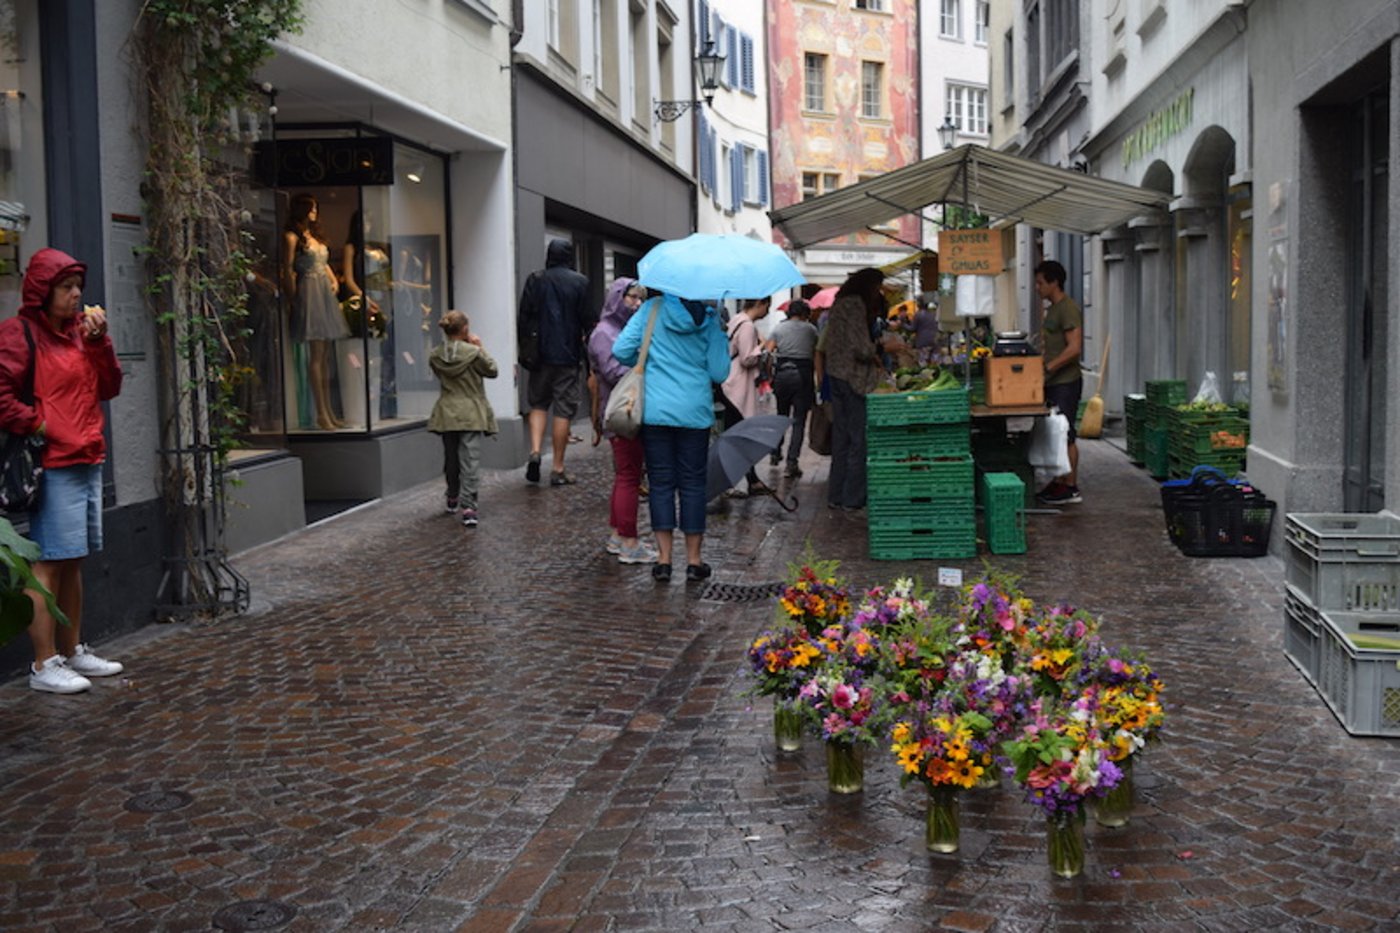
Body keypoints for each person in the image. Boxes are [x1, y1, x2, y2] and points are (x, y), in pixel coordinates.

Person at [0, 248, 124, 693]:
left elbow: (109, 386)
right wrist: (41, 425)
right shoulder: (20, 335)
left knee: (72, 561)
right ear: (43, 291)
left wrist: (98, 343)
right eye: (66, 288)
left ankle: (72, 651)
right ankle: (43, 663)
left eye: (78, 288)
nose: (76, 296)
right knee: (49, 562)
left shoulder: (79, 335)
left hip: (86, 456)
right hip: (52, 463)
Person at [612, 292, 729, 584]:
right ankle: (694, 561)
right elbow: (719, 372)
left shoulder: (652, 309)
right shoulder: (710, 319)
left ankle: (664, 561)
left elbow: (621, 349)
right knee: (693, 484)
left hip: (656, 410)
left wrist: (649, 359)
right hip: (694, 412)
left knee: (661, 483)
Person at [814, 267, 902, 511]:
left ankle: (836, 496)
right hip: (852, 378)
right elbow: (861, 349)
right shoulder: (854, 305)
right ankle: (853, 498)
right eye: (877, 287)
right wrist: (882, 348)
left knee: (841, 439)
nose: (878, 292)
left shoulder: (839, 304)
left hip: (836, 375)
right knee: (857, 440)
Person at [587, 278, 655, 564]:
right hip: (622, 411)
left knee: (625, 474)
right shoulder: (604, 332)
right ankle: (629, 541)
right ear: (617, 298)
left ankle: (618, 535)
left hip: (623, 410)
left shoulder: (620, 329)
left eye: (640, 299)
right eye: (631, 298)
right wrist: (644, 365)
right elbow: (613, 371)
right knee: (629, 476)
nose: (637, 304)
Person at [517, 238, 595, 486]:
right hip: (567, 356)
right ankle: (558, 468)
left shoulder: (535, 279)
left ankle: (535, 451)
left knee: (538, 404)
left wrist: (526, 348)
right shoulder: (580, 282)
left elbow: (523, 318)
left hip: (539, 355)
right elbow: (589, 320)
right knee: (563, 410)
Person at [282, 193, 350, 431]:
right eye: (311, 209)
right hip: (309, 293)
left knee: (325, 355)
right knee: (317, 355)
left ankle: (328, 411)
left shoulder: (314, 236)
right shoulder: (292, 237)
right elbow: (288, 270)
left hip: (323, 292)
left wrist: (333, 280)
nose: (314, 213)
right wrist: (293, 298)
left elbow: (324, 263)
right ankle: (321, 412)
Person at [428, 310, 498, 527]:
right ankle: (469, 506)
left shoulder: (435, 355)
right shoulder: (473, 353)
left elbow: (440, 374)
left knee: (451, 458)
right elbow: (492, 370)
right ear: (465, 329)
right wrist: (479, 347)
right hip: (470, 411)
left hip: (447, 410)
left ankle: (452, 495)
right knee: (470, 460)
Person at [1034, 259, 1084, 505]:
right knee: (1055, 433)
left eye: (1040, 283)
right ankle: (1059, 480)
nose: (1037, 287)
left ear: (1054, 282)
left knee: (1067, 433)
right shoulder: (1052, 309)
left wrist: (1049, 367)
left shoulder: (1068, 308)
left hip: (1066, 382)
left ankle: (1071, 486)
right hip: (1053, 382)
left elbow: (1074, 348)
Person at [342, 210, 397, 421]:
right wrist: (363, 298)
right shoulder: (352, 248)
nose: (367, 226)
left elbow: (386, 276)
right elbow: (348, 278)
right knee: (368, 352)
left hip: (384, 299)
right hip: (366, 300)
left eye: (369, 222)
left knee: (385, 351)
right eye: (363, 222)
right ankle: (366, 404)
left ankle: (384, 401)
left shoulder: (378, 247)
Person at [719, 296, 772, 497]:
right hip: (738, 384)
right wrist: (763, 348)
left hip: (729, 381)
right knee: (739, 433)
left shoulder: (736, 319)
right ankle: (735, 482)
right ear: (760, 304)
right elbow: (747, 358)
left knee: (737, 432)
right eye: (767, 306)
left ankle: (752, 480)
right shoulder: (748, 326)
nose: (767, 311)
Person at [764, 298, 818, 478]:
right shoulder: (811, 330)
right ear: (804, 314)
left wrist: (769, 376)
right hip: (803, 376)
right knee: (799, 421)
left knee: (781, 416)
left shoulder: (779, 328)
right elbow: (816, 353)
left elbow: (768, 352)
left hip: (782, 375)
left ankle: (775, 452)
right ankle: (791, 462)